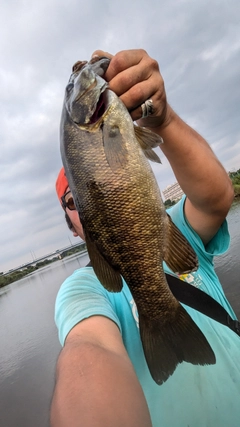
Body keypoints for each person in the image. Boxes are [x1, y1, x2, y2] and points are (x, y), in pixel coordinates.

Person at [50, 49, 240, 427]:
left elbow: (218, 198)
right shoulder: (82, 291)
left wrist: (163, 117)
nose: (83, 202)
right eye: (74, 201)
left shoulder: (177, 228)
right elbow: (87, 350)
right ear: (73, 227)